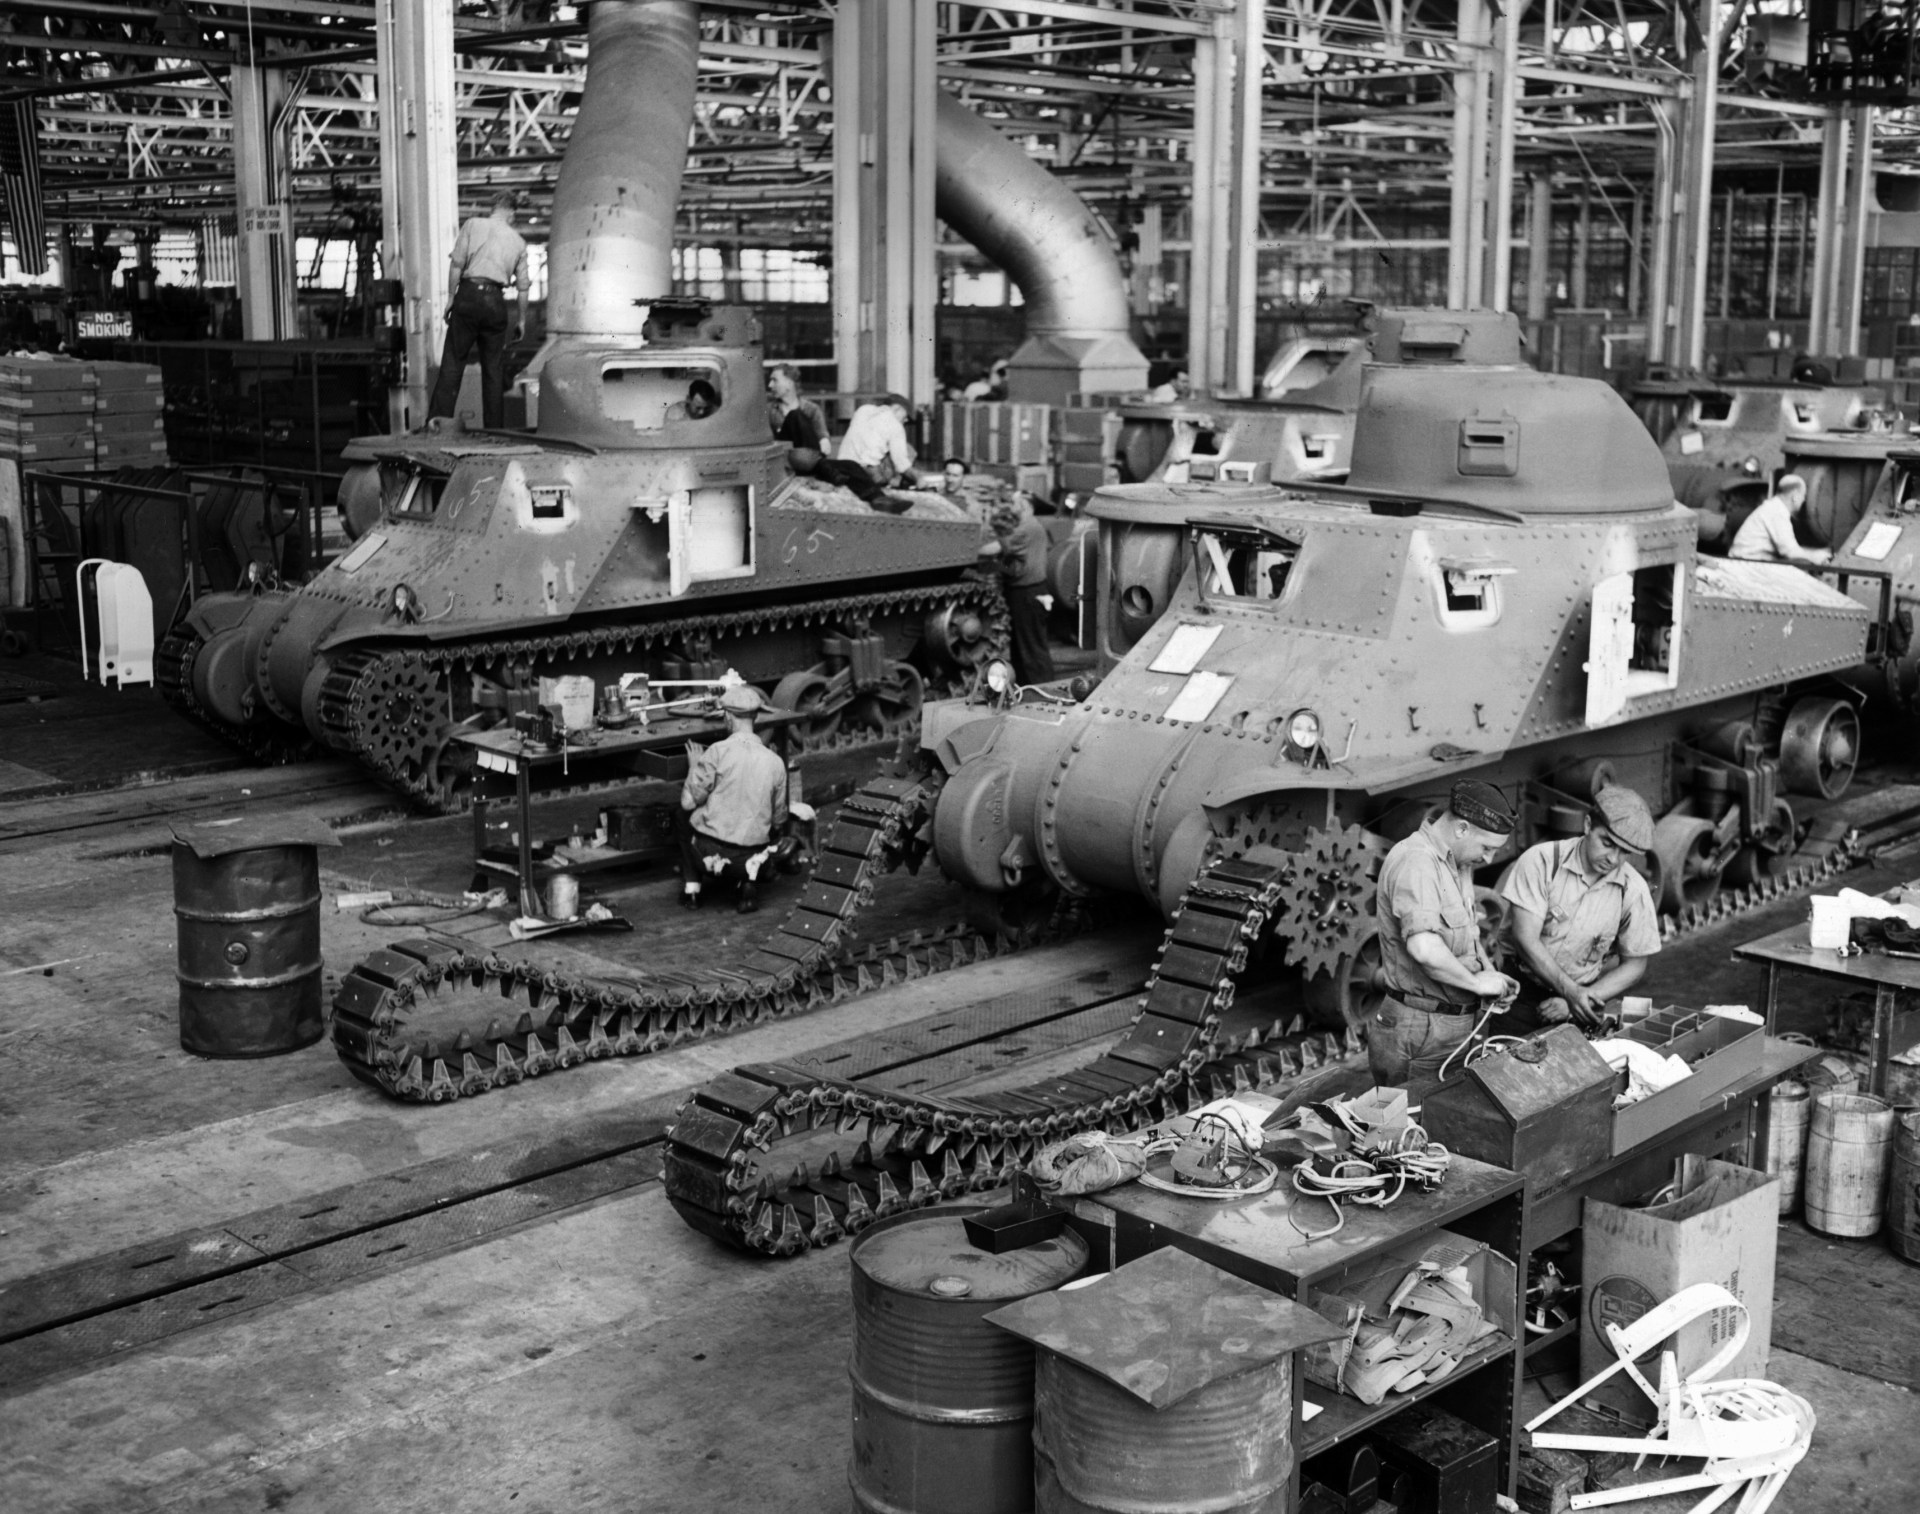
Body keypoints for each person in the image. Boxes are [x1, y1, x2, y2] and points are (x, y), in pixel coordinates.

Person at [1370, 779, 1520, 1086]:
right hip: (1421, 1031)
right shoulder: (1417, 862)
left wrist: (1492, 978)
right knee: (1410, 1126)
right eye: (1487, 848)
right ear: (1462, 829)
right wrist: (1476, 983)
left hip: (1452, 1025)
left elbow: (1469, 936)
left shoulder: (1456, 862)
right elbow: (1424, 947)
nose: (1489, 858)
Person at [1500, 786, 1662, 1028]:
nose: (1613, 859)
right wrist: (1570, 992)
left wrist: (1580, 999)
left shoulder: (1633, 889)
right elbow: (1525, 939)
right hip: (1521, 993)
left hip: (1583, 1000)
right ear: (1587, 825)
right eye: (1607, 843)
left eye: (1624, 851)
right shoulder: (1542, 862)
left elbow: (1635, 964)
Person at [677, 684, 791, 914]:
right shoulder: (776, 762)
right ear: (756, 717)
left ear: (728, 717)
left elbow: (688, 803)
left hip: (709, 853)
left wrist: (692, 769)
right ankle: (745, 882)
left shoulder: (717, 751)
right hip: (751, 857)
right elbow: (780, 819)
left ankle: (692, 890)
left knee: (681, 815)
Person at [426, 189, 530, 430]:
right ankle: (494, 430)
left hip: (469, 296)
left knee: (453, 362)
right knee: (493, 370)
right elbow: (523, 288)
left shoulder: (472, 225)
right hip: (495, 302)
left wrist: (451, 298)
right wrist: (522, 321)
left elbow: (456, 265)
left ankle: (436, 426)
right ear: (511, 212)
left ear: (494, 207)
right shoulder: (519, 242)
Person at [988, 494, 1056, 686]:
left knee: (1031, 648)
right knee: (1022, 649)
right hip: (1026, 592)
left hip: (1028, 593)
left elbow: (996, 548)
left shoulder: (1026, 529)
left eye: (1013, 504)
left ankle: (1043, 691)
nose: (1011, 508)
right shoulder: (1027, 527)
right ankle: (1027, 690)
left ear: (1024, 507)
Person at [1728, 474, 1831, 566]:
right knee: (1802, 563)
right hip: (1745, 564)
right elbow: (1790, 552)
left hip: (1748, 562)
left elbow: (1790, 548)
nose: (1803, 500)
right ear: (1795, 496)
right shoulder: (1777, 512)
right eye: (1803, 496)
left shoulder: (1774, 507)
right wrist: (1816, 556)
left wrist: (1817, 553)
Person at [833, 393, 917, 500]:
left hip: (841, 466)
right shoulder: (896, 425)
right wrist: (918, 478)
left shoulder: (863, 410)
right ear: (897, 409)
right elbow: (902, 464)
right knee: (909, 450)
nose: (906, 421)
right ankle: (893, 485)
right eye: (905, 417)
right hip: (866, 472)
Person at [766, 362, 831, 470]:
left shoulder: (812, 409)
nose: (770, 385)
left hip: (809, 461)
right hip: (782, 464)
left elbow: (825, 445)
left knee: (796, 415)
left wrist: (824, 440)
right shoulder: (768, 411)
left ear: (789, 383)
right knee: (794, 416)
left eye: (775, 380)